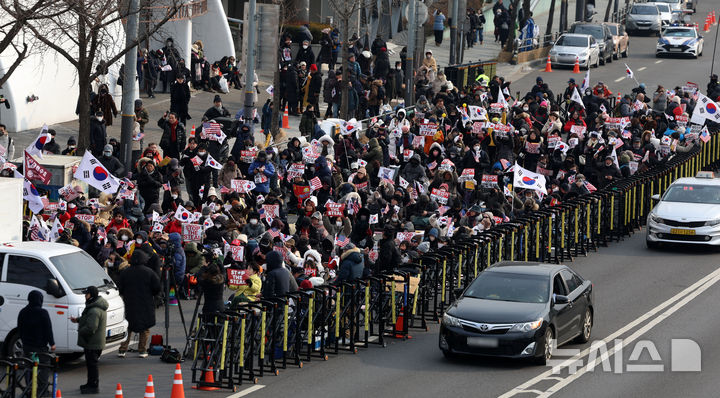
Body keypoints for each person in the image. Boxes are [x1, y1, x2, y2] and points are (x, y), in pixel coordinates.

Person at [116, 250, 161, 358]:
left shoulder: (125, 272)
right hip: (146, 303)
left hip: (129, 302)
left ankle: (122, 349)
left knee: (128, 327)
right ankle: (142, 350)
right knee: (145, 328)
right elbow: (157, 287)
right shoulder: (149, 272)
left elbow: (119, 287)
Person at [70, 286, 107, 394]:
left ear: (91, 295)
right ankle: (90, 383)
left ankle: (93, 386)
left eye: (86, 294)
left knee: (92, 365)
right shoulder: (93, 307)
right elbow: (87, 318)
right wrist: (77, 320)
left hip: (93, 343)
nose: (85, 296)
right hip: (92, 342)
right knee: (90, 365)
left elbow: (91, 328)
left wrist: (80, 331)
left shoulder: (95, 310)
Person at [17, 290, 55, 393]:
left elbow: (19, 329)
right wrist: (52, 343)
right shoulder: (43, 313)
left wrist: (24, 341)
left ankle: (29, 389)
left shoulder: (22, 312)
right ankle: (42, 390)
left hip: (27, 347)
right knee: (44, 366)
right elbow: (48, 329)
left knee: (29, 366)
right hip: (40, 347)